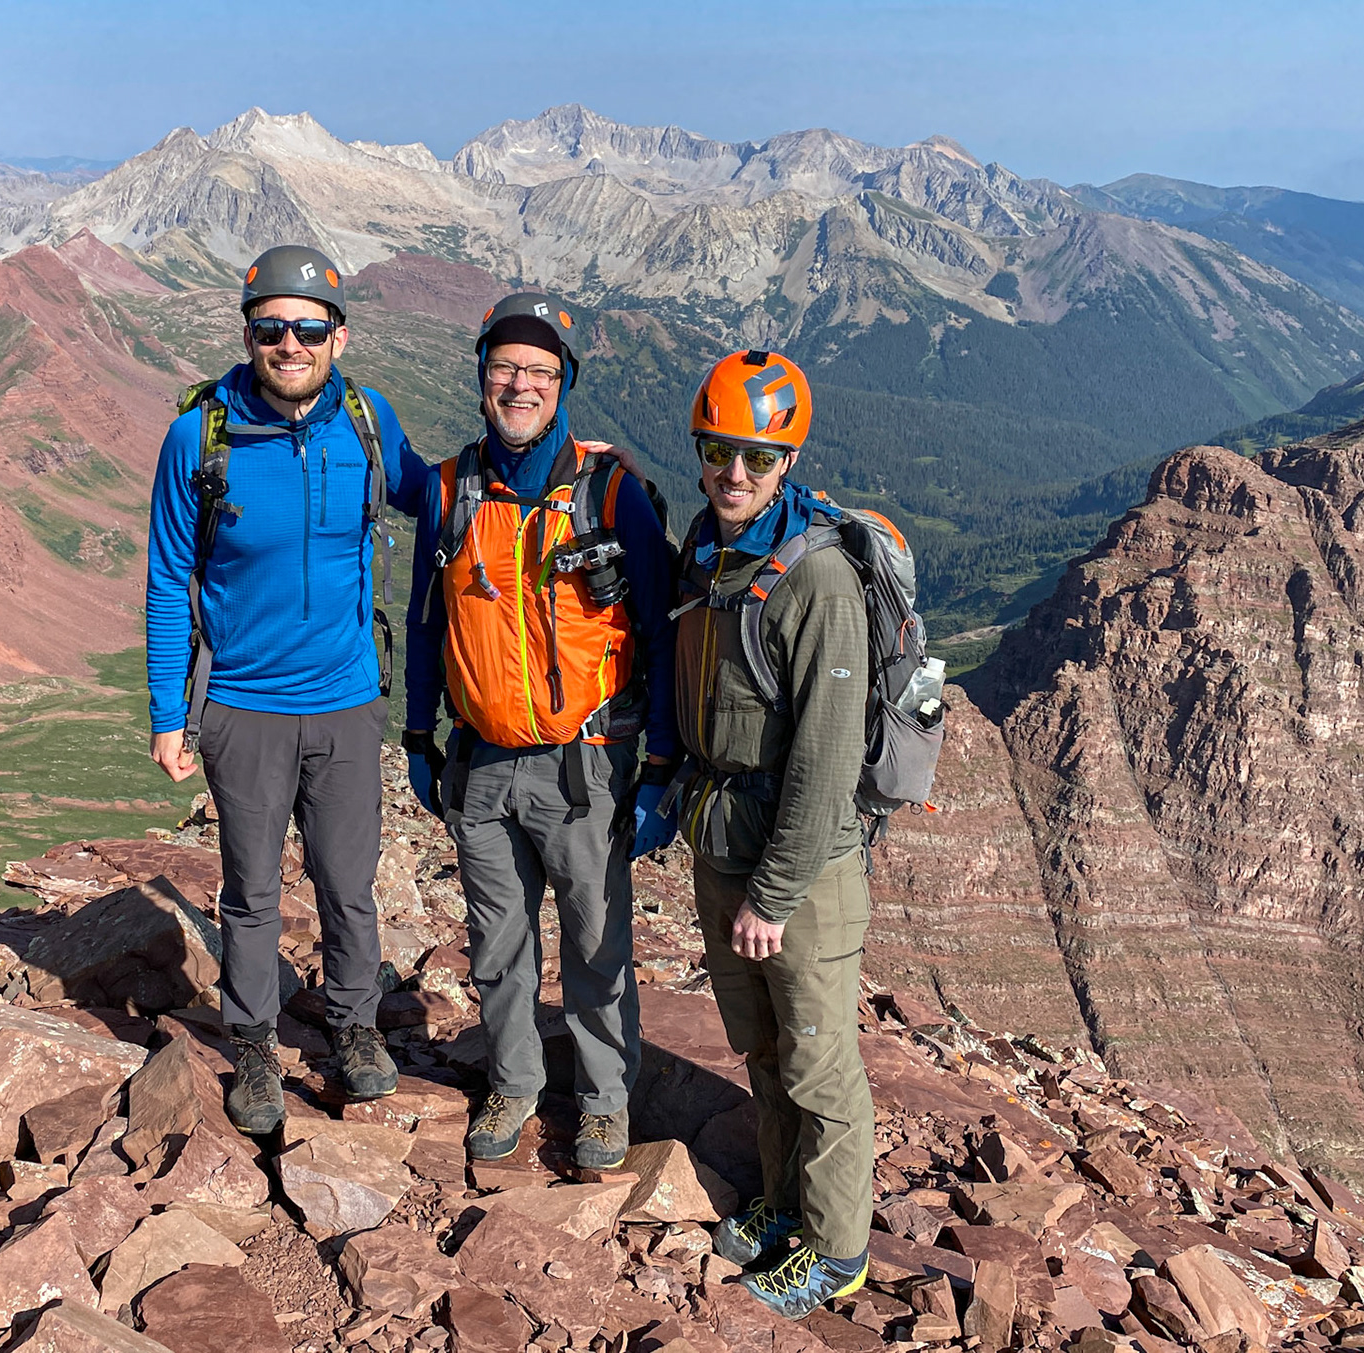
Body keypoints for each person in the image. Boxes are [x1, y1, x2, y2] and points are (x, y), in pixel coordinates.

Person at [146, 244, 432, 1135]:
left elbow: (436, 492)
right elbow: (166, 577)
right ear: (249, 336)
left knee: (349, 880)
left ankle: (353, 1027)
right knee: (252, 890)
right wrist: (167, 715)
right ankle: (256, 1044)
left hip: (347, 701)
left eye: (309, 328)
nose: (290, 343)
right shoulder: (202, 434)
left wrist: (558, 459)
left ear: (337, 337)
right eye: (272, 328)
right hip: (244, 704)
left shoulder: (367, 419)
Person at [401, 293, 678, 1172]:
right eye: (504, 369)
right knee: (498, 942)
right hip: (480, 763)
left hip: (584, 763)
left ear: (563, 387)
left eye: (538, 373)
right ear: (482, 378)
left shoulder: (614, 493)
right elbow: (423, 621)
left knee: (597, 944)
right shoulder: (451, 489)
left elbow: (665, 630)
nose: (519, 385)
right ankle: (514, 1082)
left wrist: (661, 760)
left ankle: (604, 1101)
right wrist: (417, 733)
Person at [666, 349, 874, 1317]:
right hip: (723, 844)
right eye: (719, 452)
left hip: (798, 874)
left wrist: (772, 895)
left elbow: (827, 769)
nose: (735, 474)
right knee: (761, 1047)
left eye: (756, 455)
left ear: (785, 460)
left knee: (819, 1058)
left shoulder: (819, 583)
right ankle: (786, 1203)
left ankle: (837, 1253)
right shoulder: (707, 553)